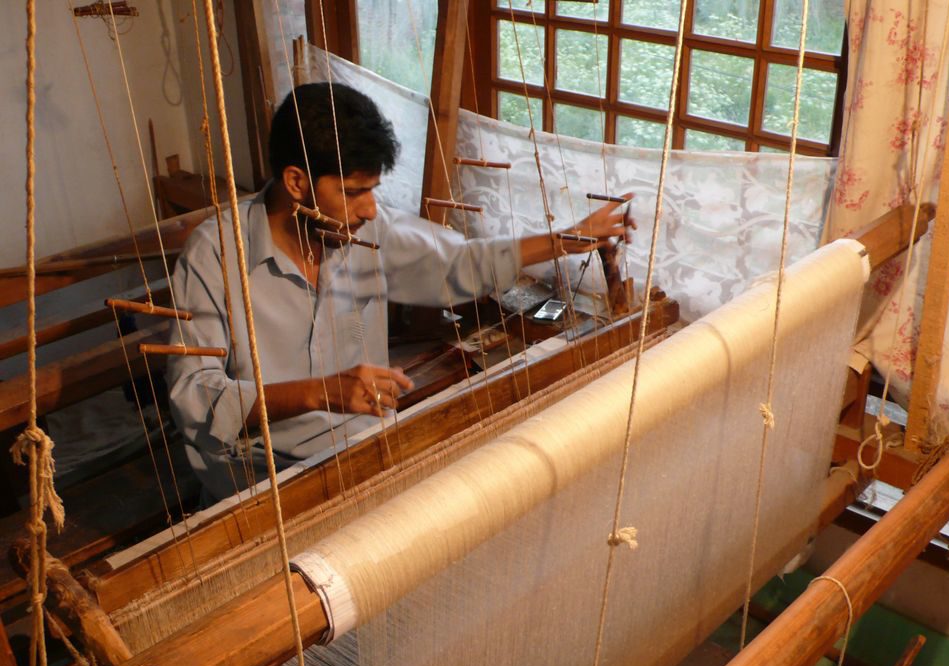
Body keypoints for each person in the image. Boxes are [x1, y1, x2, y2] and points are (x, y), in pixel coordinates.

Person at [167, 82, 631, 502]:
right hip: (256, 480)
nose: (370, 209)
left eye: (373, 190)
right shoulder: (215, 255)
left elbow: (459, 262)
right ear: (296, 183)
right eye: (353, 192)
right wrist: (318, 393)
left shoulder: (368, 231)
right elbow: (193, 397)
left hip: (362, 458)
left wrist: (567, 238)